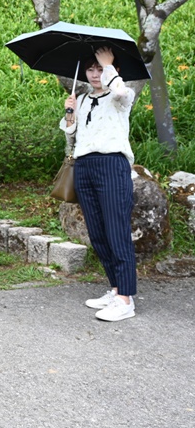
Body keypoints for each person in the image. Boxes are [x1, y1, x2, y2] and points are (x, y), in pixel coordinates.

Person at [61, 47, 137, 322]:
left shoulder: (121, 96)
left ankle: (125, 299)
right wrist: (69, 111)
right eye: (91, 69)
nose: (95, 74)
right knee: (97, 232)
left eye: (100, 68)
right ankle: (115, 288)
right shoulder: (80, 99)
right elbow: (70, 132)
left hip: (112, 165)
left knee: (117, 230)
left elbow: (119, 92)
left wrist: (109, 65)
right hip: (84, 166)